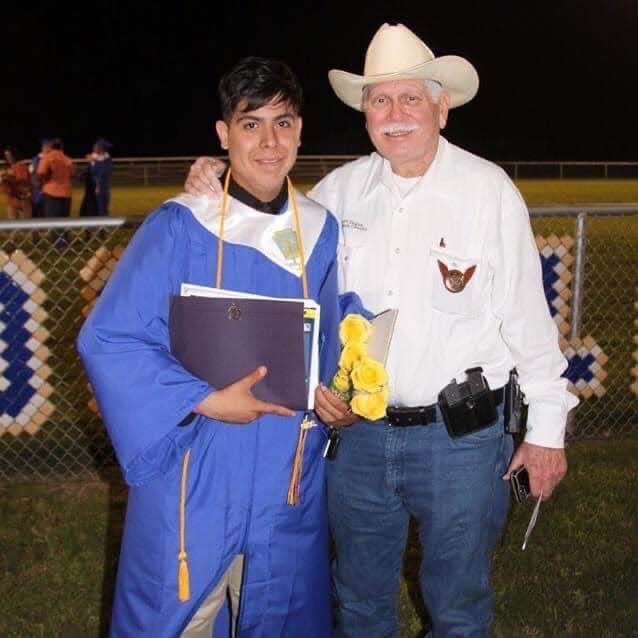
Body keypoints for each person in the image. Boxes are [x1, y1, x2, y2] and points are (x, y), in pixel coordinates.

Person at [184, 23, 578, 638]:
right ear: (364, 113)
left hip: (463, 442)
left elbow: (530, 319)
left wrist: (547, 431)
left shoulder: (487, 191)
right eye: (378, 100)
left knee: (457, 606)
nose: (394, 114)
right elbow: (272, 266)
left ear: (441, 107)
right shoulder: (336, 194)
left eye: (410, 98)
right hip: (358, 442)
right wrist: (216, 191)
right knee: (358, 601)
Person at [78, 57, 340, 637]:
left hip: (285, 472)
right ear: (223, 135)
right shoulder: (180, 225)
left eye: (284, 122)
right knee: (185, 619)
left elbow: (337, 334)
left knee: (279, 615)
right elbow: (111, 337)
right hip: (196, 466)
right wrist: (203, 399)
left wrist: (339, 393)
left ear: (300, 128)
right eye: (251, 124)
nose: (270, 141)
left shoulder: (323, 230)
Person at [36, 137, 74, 218]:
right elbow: (72, 175)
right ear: (62, 147)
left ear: (51, 147)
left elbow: (41, 173)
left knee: (53, 221)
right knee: (63, 221)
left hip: (51, 193)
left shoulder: (47, 157)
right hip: (66, 193)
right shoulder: (68, 159)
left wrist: (40, 183)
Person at [1, 146, 32, 219]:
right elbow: (4, 187)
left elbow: (24, 181)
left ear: (14, 155)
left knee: (25, 226)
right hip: (12, 200)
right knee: (13, 226)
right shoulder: (8, 169)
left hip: (23, 200)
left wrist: (10, 177)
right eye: (6, 156)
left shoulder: (22, 166)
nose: (8, 158)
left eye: (9, 155)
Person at [29, 138, 52, 218]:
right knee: (36, 210)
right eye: (46, 146)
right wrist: (35, 182)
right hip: (37, 190)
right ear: (42, 147)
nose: (48, 148)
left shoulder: (52, 158)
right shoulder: (35, 159)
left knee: (47, 211)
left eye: (49, 146)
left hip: (48, 189)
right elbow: (31, 173)